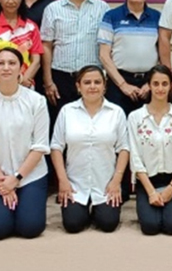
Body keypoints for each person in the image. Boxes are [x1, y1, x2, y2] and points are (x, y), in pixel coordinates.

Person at [0, 48, 50, 240]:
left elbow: (39, 146)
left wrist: (16, 179)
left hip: (30, 174)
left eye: (12, 63)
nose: (6, 68)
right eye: (1, 63)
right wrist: (2, 181)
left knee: (30, 228)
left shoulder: (36, 101)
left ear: (21, 68)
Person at [51, 65, 129, 233]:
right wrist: (63, 181)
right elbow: (56, 147)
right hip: (75, 185)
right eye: (87, 82)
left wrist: (116, 182)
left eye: (97, 82)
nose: (92, 86)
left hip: (106, 184)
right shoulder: (67, 112)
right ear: (78, 87)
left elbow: (124, 148)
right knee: (73, 225)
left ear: (104, 86)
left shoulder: (116, 113)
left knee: (108, 224)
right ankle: (82, 207)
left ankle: (98, 208)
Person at [41, 0, 109, 124]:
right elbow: (46, 46)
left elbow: (107, 47)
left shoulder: (103, 9)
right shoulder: (52, 9)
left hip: (92, 79)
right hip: (60, 79)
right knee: (60, 128)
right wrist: (48, 81)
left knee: (91, 126)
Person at [127, 65, 172, 235]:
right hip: (148, 181)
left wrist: (171, 188)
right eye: (155, 84)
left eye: (164, 84)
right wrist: (150, 191)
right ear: (149, 85)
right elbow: (135, 157)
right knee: (150, 227)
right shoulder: (135, 118)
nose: (160, 88)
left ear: (171, 85)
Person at [98, 0, 160, 114]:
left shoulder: (157, 17)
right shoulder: (111, 16)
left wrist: (151, 83)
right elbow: (104, 55)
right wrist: (123, 84)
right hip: (118, 83)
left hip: (149, 85)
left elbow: (163, 55)